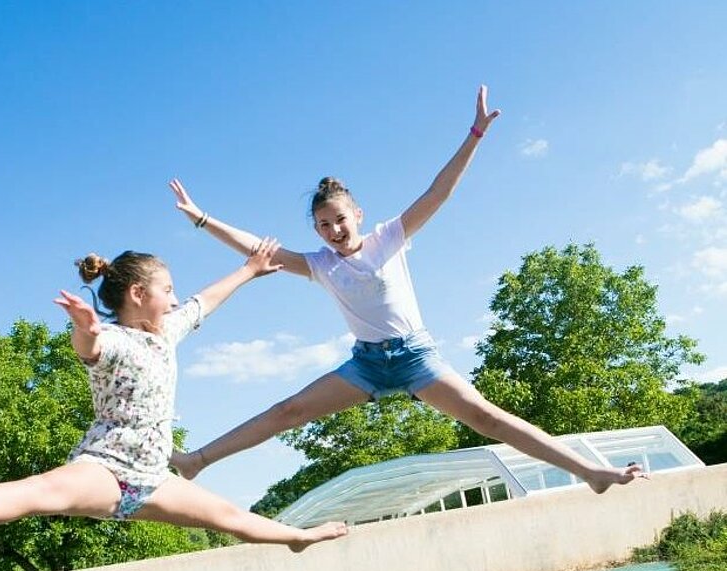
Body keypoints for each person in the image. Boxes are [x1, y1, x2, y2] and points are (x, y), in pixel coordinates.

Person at [168, 85, 647, 494]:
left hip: (415, 356)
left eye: (340, 220)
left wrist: (475, 134)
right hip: (366, 365)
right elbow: (258, 248)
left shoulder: (389, 238)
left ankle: (591, 472)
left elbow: (438, 192)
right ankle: (196, 461)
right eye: (323, 225)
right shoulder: (320, 265)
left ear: (357, 214)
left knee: (487, 419)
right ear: (316, 230)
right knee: (287, 411)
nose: (334, 231)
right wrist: (202, 219)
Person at [0, 242, 348, 551]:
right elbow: (90, 349)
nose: (174, 299)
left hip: (154, 479)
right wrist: (85, 328)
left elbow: (204, 301)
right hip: (107, 469)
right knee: (41, 491)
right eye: (167, 290)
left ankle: (297, 538)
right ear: (138, 294)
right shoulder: (114, 339)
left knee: (228, 516)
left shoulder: (165, 332)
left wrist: (249, 270)